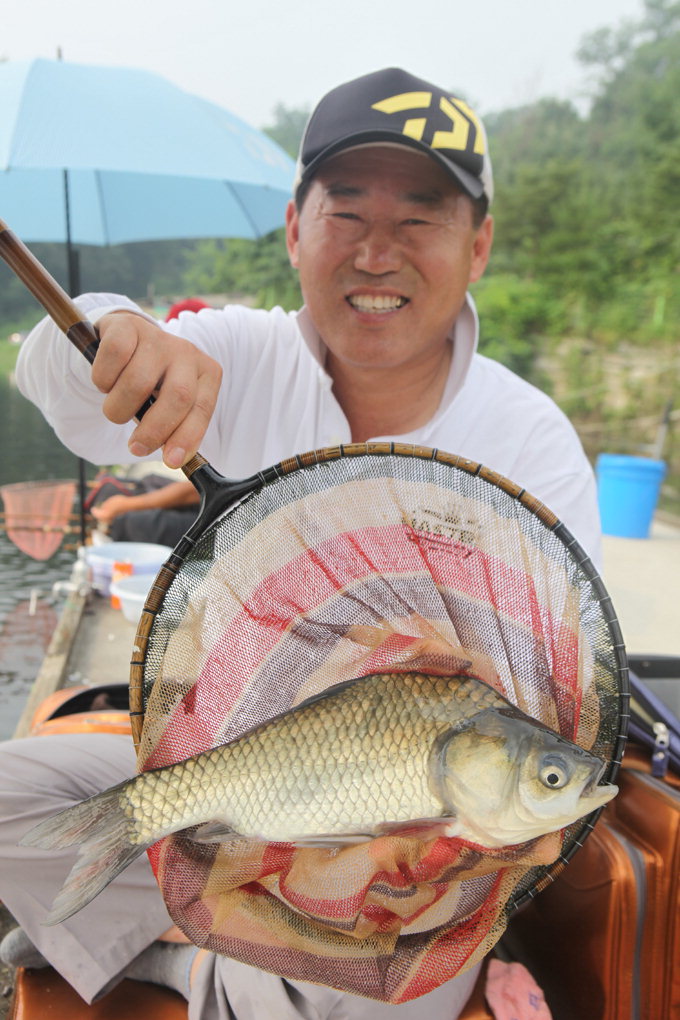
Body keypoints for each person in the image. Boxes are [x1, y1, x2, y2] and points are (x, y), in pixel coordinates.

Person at [0, 67, 601, 1019]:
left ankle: (173, 956)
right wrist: (115, 331)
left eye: (420, 218)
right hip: (232, 765)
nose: (377, 252)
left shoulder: (531, 448)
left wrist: (473, 901)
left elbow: (549, 706)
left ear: (477, 245)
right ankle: (197, 948)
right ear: (294, 230)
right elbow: (55, 375)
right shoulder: (237, 354)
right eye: (347, 210)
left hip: (409, 840)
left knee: (355, 982)